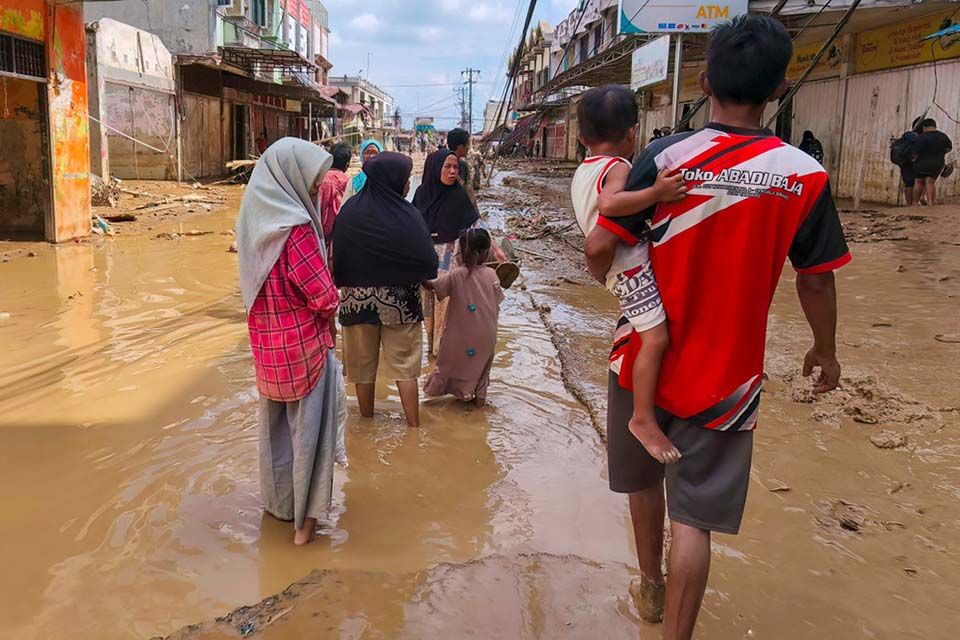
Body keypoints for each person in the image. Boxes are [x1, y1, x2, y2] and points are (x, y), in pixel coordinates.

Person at [606, 16, 850, 638]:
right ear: (779, 88)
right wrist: (825, 350)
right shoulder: (805, 174)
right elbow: (816, 279)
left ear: (705, 82)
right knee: (694, 522)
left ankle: (650, 589)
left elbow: (610, 245)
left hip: (640, 355)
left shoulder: (666, 157)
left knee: (644, 485)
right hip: (728, 377)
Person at [572, 84, 687, 465]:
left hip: (617, 268)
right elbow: (610, 204)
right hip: (629, 267)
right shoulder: (618, 167)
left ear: (581, 136)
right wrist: (657, 192)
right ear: (633, 132)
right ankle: (642, 417)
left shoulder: (584, 170)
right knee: (656, 338)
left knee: (647, 334)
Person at [235, 137, 341, 546]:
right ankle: (304, 528)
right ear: (290, 177)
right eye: (311, 180)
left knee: (274, 435)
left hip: (267, 348)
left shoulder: (252, 221)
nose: (315, 189)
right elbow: (323, 296)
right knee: (311, 440)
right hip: (304, 349)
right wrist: (334, 308)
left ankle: (279, 508)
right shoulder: (295, 229)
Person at [332, 152, 438, 428]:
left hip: (357, 303)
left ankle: (366, 423)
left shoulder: (350, 211)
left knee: (362, 368)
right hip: (400, 304)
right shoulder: (408, 215)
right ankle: (413, 427)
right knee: (406, 367)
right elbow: (428, 262)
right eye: (405, 178)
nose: (408, 184)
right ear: (393, 180)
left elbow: (337, 256)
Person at [414, 149, 505, 355]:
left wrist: (496, 249)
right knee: (429, 315)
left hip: (451, 261)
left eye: (455, 167)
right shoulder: (421, 195)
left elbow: (476, 223)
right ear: (435, 169)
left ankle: (443, 358)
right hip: (425, 263)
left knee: (448, 312)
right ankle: (433, 355)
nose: (453, 171)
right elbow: (410, 226)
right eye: (448, 167)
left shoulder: (459, 195)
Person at [423, 228, 504, 406]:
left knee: (449, 363)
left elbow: (432, 286)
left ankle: (438, 397)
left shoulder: (457, 275)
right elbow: (498, 300)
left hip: (460, 334)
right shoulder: (492, 274)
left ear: (460, 251)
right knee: (481, 367)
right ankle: (478, 402)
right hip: (487, 334)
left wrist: (418, 273)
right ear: (486, 252)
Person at [318, 142, 352, 255]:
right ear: (347, 165)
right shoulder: (348, 182)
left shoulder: (320, 178)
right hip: (339, 235)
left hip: (319, 233)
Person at [912, 118, 953, 206]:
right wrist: (941, 152)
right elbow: (949, 148)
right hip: (937, 163)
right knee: (930, 182)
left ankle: (915, 202)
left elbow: (915, 152)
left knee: (919, 182)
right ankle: (931, 203)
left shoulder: (921, 137)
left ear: (924, 127)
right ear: (934, 126)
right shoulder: (943, 136)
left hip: (922, 163)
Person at [890, 117, 922, 206]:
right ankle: (915, 203)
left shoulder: (907, 136)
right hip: (913, 161)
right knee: (918, 182)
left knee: (908, 183)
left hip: (904, 161)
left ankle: (909, 204)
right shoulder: (919, 138)